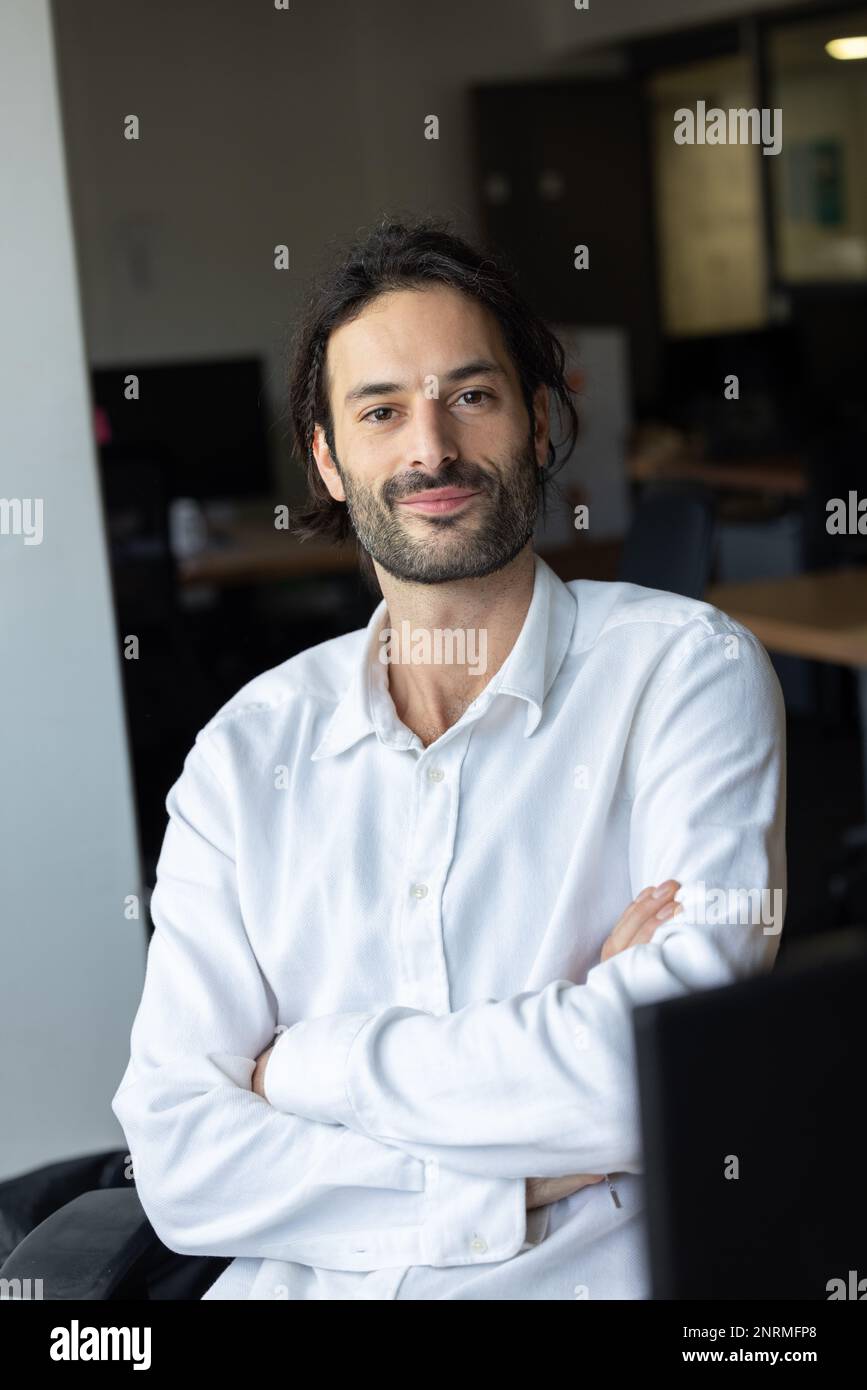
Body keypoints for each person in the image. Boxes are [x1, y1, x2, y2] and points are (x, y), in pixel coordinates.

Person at [112, 216, 786, 1300]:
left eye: (470, 396)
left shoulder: (684, 676)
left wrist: (305, 1067)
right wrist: (518, 1165)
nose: (430, 449)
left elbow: (666, 1069)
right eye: (382, 412)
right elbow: (186, 1165)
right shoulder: (246, 752)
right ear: (329, 460)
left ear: (537, 422)